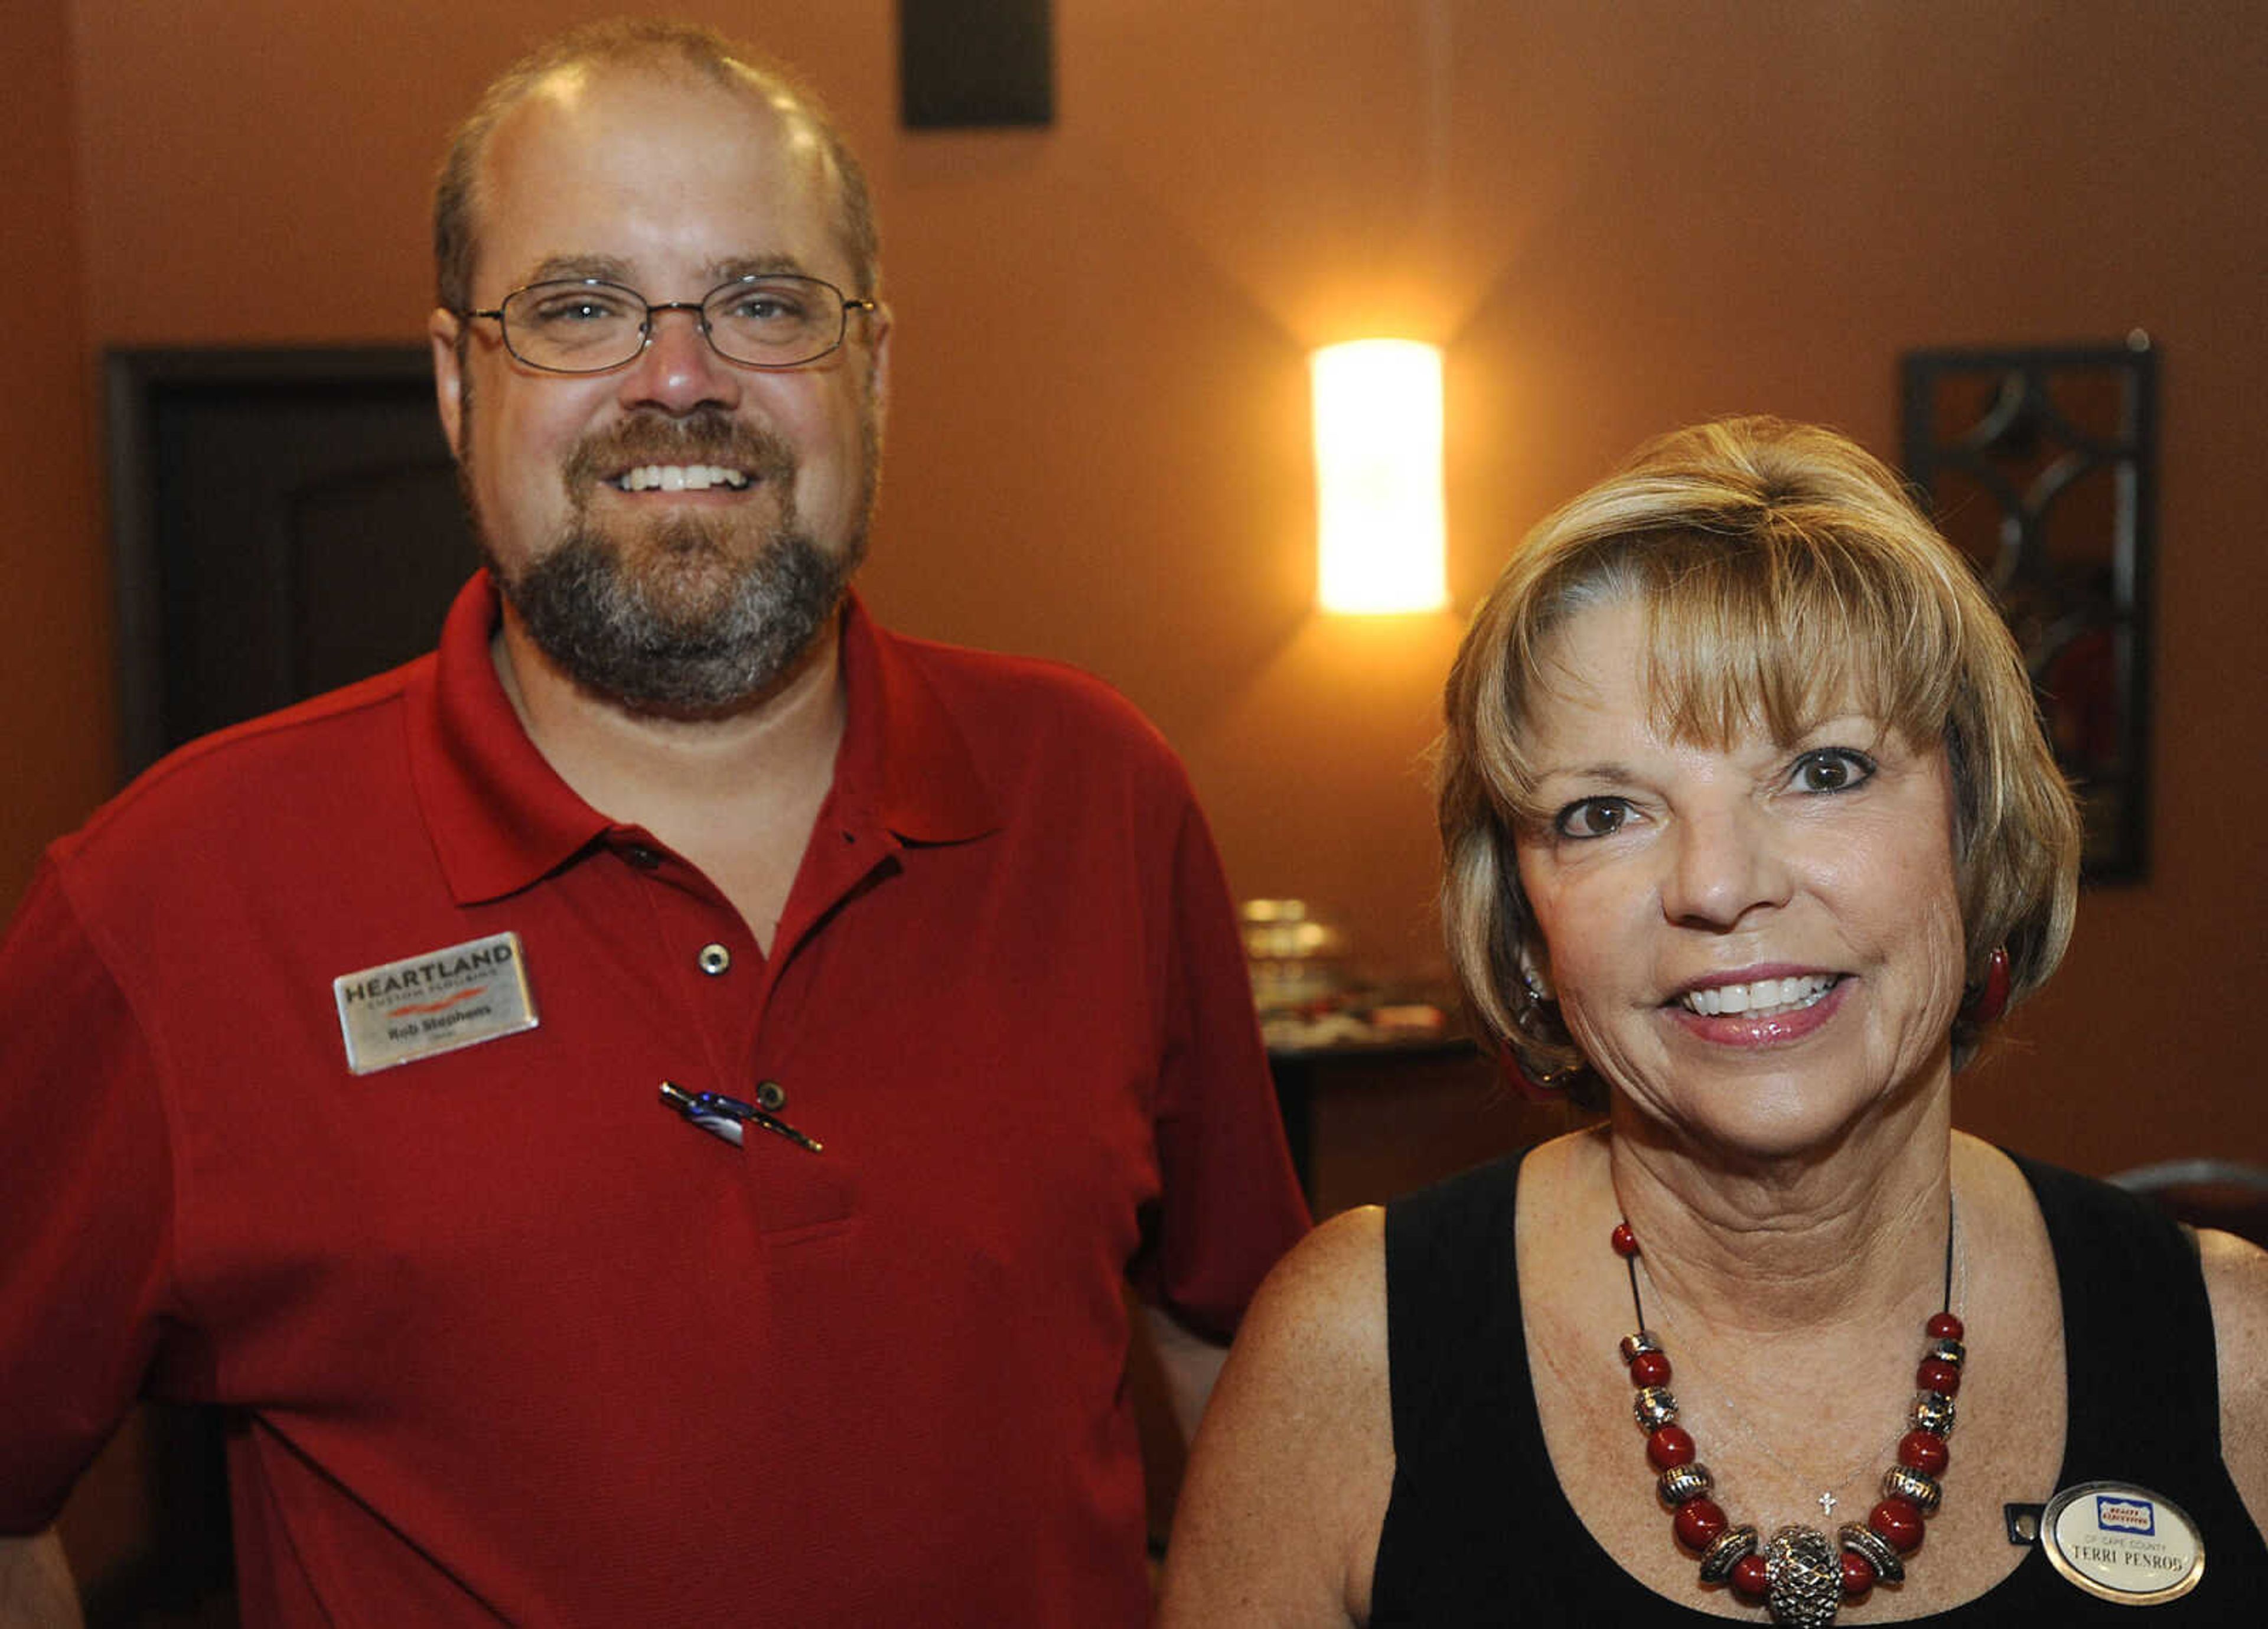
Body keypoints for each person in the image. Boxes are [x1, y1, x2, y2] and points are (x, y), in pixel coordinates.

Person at [0, 20, 1306, 1625]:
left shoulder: (1098, 796)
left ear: (872, 371)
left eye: (764, 302)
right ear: (457, 377)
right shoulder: (169, 896)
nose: (678, 377)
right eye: (579, 307)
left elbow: (1231, 1341)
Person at [1160, 418, 2268, 1625]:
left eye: (1824, 771)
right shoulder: (1353, 1356)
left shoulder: (2235, 1357)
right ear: (1529, 929)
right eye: (1604, 811)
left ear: (1972, 828)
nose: (1719, 882)